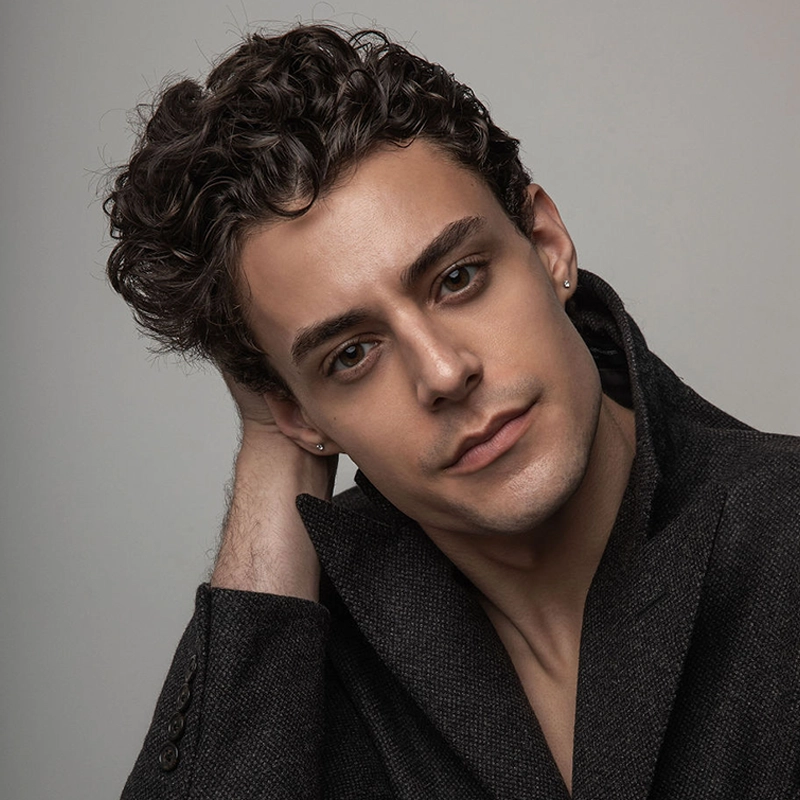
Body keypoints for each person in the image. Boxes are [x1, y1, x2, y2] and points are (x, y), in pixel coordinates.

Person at [105, 24, 800, 800]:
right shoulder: (303, 675)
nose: (443, 372)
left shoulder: (782, 530)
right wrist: (276, 443)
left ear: (546, 244)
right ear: (299, 411)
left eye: (459, 278)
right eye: (351, 355)